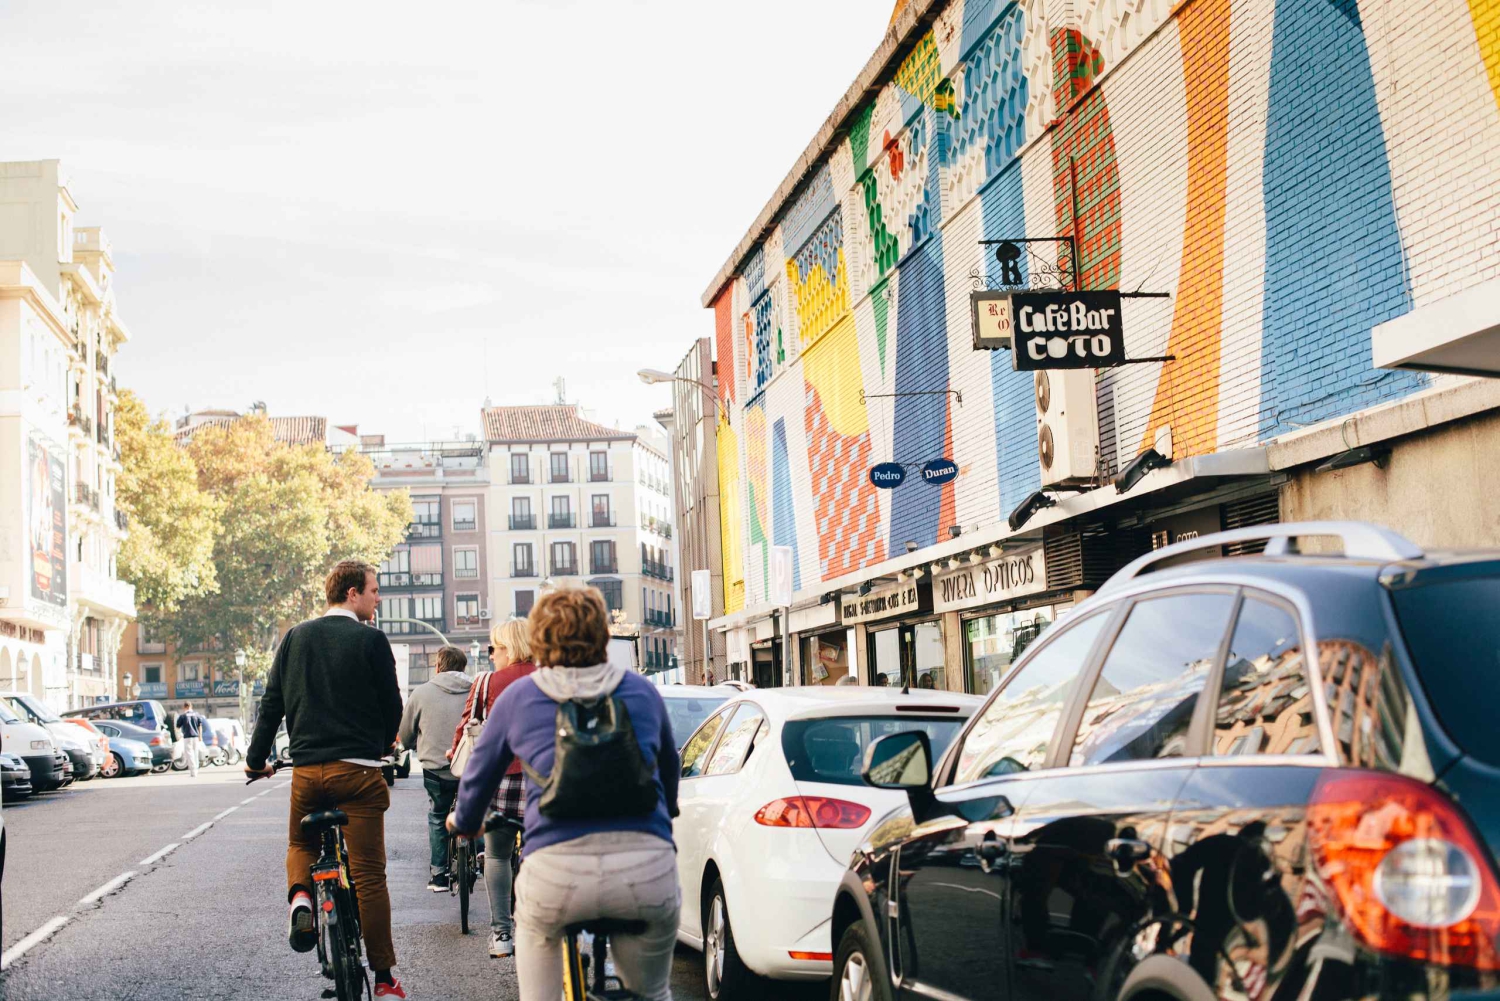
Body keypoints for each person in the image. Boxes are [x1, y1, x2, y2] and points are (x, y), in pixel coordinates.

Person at [448, 586, 681, 1001]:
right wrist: (670, 811)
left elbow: (479, 776)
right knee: (652, 993)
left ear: (539, 639)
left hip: (556, 874)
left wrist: (463, 822)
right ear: (602, 636)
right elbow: (669, 768)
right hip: (645, 870)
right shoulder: (642, 692)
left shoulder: (519, 696)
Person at [245, 560, 407, 1000]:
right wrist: (383, 744)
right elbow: (393, 705)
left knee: (301, 845)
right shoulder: (371, 640)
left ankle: (301, 899)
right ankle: (386, 980)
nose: (377, 599)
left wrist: (255, 760)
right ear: (352, 593)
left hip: (307, 774)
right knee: (370, 876)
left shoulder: (295, 637)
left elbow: (272, 703)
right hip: (358, 773)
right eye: (374, 591)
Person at [447, 618, 536, 959]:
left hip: (501, 778)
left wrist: (454, 751)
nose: (491, 655)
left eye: (494, 648)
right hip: (542, 779)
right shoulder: (548, 678)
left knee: (497, 854)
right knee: (538, 853)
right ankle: (535, 923)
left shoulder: (487, 683)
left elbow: (466, 726)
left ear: (508, 648)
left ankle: (502, 934)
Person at [398, 645, 474, 893]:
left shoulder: (421, 693)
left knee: (438, 816)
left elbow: (406, 734)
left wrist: (410, 745)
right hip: (470, 769)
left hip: (435, 770)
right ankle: (481, 855)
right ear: (463, 667)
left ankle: (439, 875)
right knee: (475, 810)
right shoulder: (475, 689)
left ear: (438, 667)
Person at [175, 702, 209, 777]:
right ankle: (196, 769)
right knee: (195, 753)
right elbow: (200, 726)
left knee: (189, 754)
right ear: (191, 706)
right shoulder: (197, 715)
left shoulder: (183, 716)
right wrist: (200, 736)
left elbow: (177, 727)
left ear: (184, 707)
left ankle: (193, 771)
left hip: (187, 737)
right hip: (196, 737)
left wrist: (179, 736)